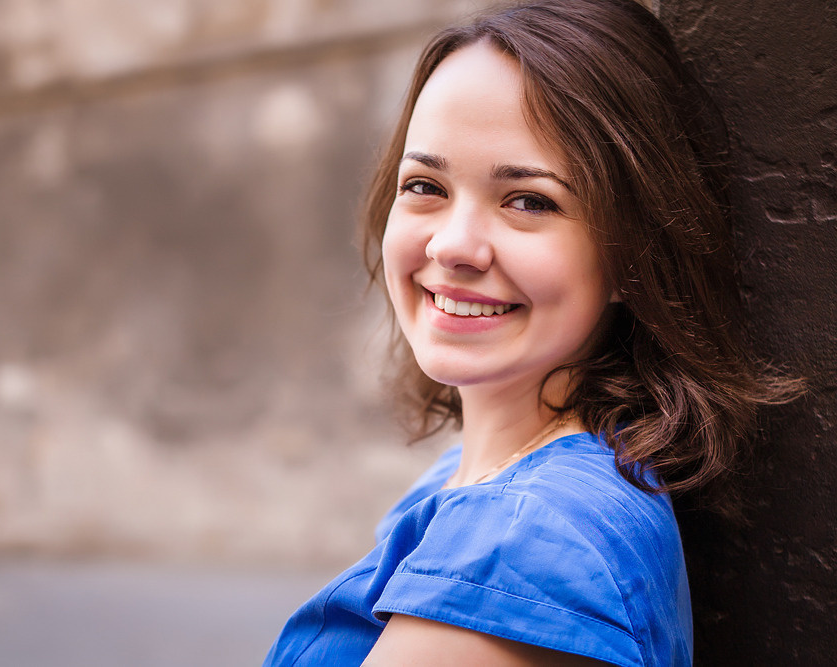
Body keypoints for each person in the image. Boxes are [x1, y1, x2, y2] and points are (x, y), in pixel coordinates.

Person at [264, 0, 799, 664]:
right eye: (425, 184)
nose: (454, 244)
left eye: (528, 200)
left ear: (632, 251)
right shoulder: (487, 486)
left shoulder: (527, 538)